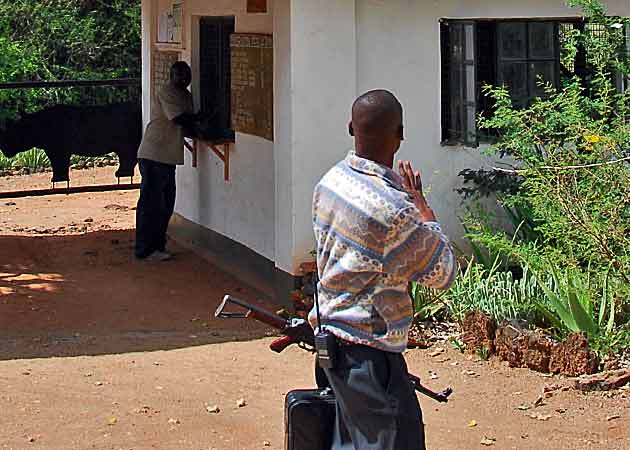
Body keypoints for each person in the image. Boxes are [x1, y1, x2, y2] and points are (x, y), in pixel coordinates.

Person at [309, 89, 457, 450]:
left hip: (330, 346)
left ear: (350, 128)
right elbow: (443, 272)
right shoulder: (395, 210)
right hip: (370, 357)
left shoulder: (330, 183)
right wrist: (424, 211)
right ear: (400, 134)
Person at [134, 61, 200, 261]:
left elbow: (186, 123)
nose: (184, 79)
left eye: (186, 75)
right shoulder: (167, 92)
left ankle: (157, 246)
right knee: (151, 204)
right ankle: (144, 249)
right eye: (179, 75)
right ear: (172, 76)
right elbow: (179, 119)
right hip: (154, 154)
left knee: (165, 204)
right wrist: (201, 118)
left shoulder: (186, 95)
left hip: (167, 156)